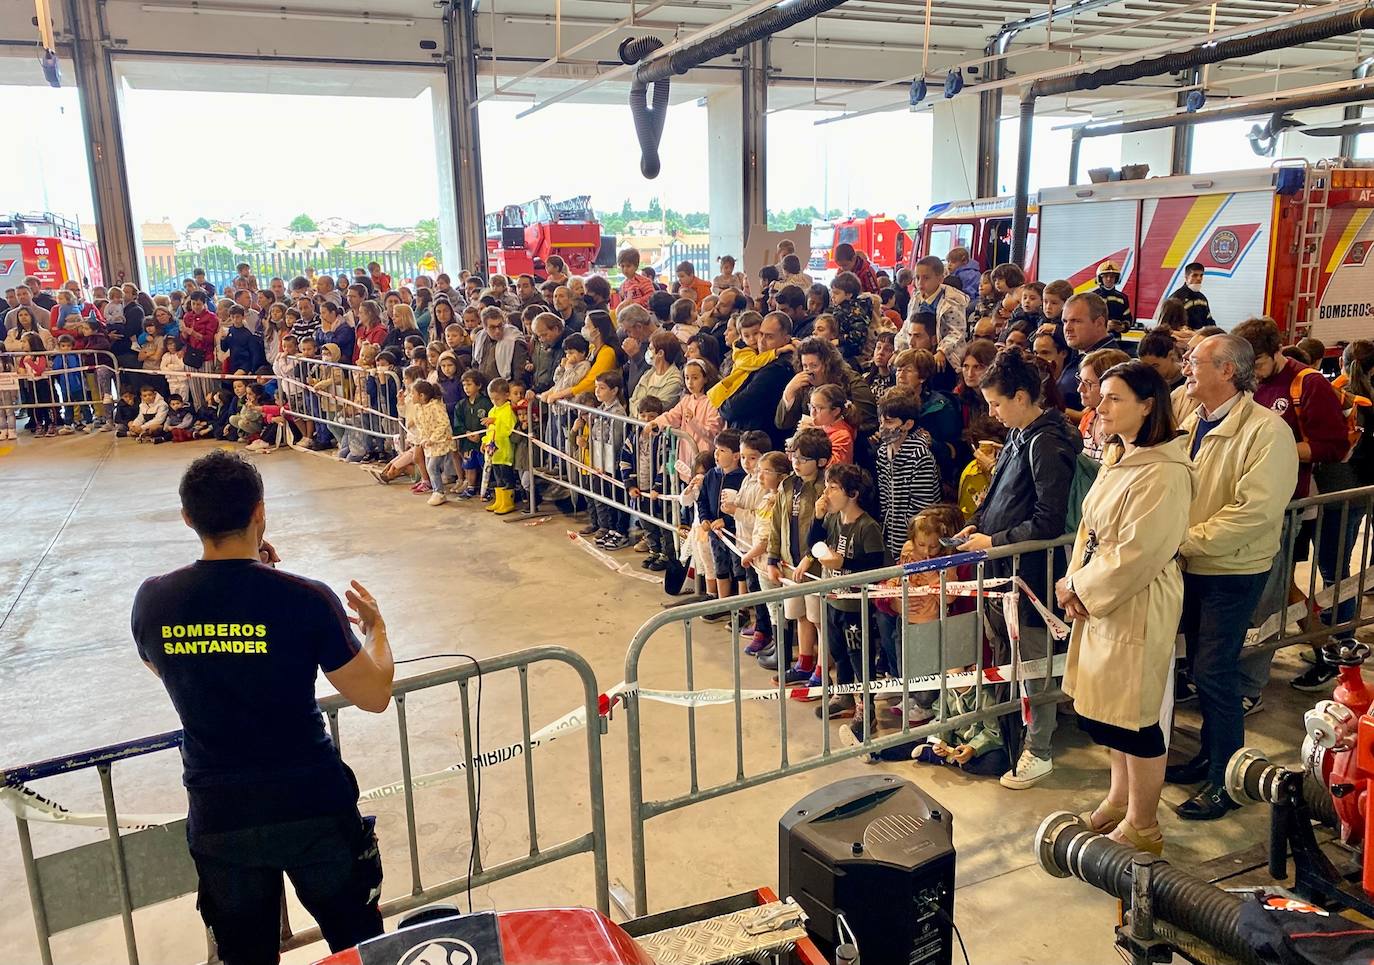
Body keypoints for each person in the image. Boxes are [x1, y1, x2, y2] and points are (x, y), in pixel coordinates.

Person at [131, 451, 392, 965]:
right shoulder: (306, 598)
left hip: (221, 812)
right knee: (358, 949)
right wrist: (377, 631)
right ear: (259, 513)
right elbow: (375, 693)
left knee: (245, 955)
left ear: (188, 518)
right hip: (312, 804)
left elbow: (167, 669)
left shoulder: (154, 600)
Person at [1057, 361, 1196, 856]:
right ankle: (1119, 799)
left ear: (1147, 405)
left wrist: (1084, 588)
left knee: (1135, 719)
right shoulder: (1123, 457)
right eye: (1103, 396)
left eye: (1115, 398)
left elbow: (1137, 553)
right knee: (1108, 712)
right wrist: (1073, 583)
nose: (1101, 406)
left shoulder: (1165, 471)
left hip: (1136, 601)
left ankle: (1144, 823)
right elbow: (1090, 531)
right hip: (1102, 599)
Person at [1166, 334, 1297, 821]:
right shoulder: (1191, 417)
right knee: (1200, 671)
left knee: (1215, 674)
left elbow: (1255, 512)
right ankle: (1207, 757)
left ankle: (1226, 780)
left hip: (1231, 569)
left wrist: (1184, 540)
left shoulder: (1266, 432)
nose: (1186, 366)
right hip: (1191, 565)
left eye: (1195, 360)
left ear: (1227, 371)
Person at [955, 348, 1082, 789]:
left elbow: (1047, 520)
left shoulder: (1048, 441)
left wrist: (993, 541)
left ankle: (1040, 749)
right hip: (1002, 570)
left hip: (1032, 574)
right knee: (1008, 660)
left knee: (1034, 664)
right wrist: (980, 523)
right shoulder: (1019, 434)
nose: (992, 412)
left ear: (1023, 396)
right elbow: (1000, 495)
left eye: (996, 403)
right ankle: (1012, 734)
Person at [1232, 316, 1351, 694]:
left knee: (1266, 599)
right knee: (1281, 592)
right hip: (1246, 502)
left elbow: (1333, 446)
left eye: (1261, 366)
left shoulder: (1308, 384)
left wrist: (1271, 449)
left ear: (1278, 351)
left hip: (1288, 504)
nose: (1255, 376)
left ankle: (1250, 687)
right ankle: (1331, 650)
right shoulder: (1251, 382)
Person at [1062, 292, 1121, 421]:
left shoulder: (1110, 362)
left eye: (1076, 321)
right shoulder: (1081, 351)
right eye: (1065, 321)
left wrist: (1050, 409)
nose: (1067, 328)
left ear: (1099, 323)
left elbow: (1098, 414)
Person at [1077, 348, 1132, 463]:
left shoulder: (1126, 427)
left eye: (1088, 383)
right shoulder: (1088, 418)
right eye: (1080, 381)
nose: (1079, 389)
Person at [480, 377, 519, 515]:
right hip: (493, 452)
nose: (494, 402)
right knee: (497, 477)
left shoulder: (508, 411)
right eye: (492, 399)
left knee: (506, 477)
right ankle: (499, 500)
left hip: (504, 451)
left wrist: (495, 422)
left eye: (497, 399)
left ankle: (508, 502)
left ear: (506, 396)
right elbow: (489, 431)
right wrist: (485, 441)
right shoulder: (493, 410)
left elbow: (507, 430)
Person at [1167, 262, 1213, 329]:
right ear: (1186, 277)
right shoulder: (1176, 298)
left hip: (1200, 337)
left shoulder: (1202, 298)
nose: (1199, 278)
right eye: (1195, 275)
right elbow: (1169, 324)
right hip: (1182, 337)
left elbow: (1209, 320)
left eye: (1201, 275)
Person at [1092, 260, 1133, 329]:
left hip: (1116, 339)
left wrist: (1122, 326)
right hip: (1097, 338)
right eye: (1105, 276)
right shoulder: (1092, 297)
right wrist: (1105, 325)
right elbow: (1087, 320)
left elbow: (1128, 319)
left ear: (1116, 278)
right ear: (1100, 278)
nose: (1109, 279)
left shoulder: (1122, 298)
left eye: (1112, 276)